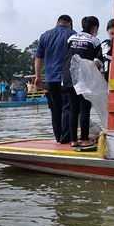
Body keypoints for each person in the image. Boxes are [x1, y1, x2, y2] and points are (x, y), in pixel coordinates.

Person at [62, 16, 102, 147]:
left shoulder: (71, 38)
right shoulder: (94, 41)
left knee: (73, 109)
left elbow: (66, 57)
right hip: (83, 78)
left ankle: (73, 140)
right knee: (84, 108)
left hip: (68, 76)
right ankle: (84, 139)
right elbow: (96, 63)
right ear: (94, 28)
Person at [35, 14, 75, 144]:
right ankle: (65, 138)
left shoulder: (44, 36)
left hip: (50, 78)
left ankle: (58, 137)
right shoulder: (72, 35)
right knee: (67, 108)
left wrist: (37, 76)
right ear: (69, 23)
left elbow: (38, 58)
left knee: (55, 109)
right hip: (66, 78)